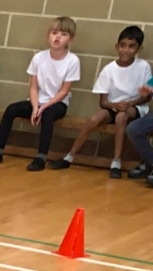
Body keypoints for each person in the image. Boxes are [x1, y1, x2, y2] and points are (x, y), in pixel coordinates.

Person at [0, 18, 80, 171]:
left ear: (70, 39)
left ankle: (41, 158)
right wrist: (35, 107)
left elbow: (64, 91)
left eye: (64, 34)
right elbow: (33, 88)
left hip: (57, 103)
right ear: (48, 35)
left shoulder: (72, 60)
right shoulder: (39, 58)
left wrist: (43, 107)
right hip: (37, 100)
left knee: (47, 115)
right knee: (11, 109)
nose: (58, 37)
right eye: (54, 33)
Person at [52, 25, 149, 177]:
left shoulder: (143, 66)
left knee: (121, 117)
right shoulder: (109, 69)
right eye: (123, 45)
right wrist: (115, 105)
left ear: (139, 49)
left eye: (132, 46)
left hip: (135, 107)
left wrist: (130, 104)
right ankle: (69, 156)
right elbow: (103, 102)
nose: (126, 50)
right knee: (94, 118)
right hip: (114, 106)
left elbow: (147, 96)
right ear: (117, 46)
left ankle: (116, 162)